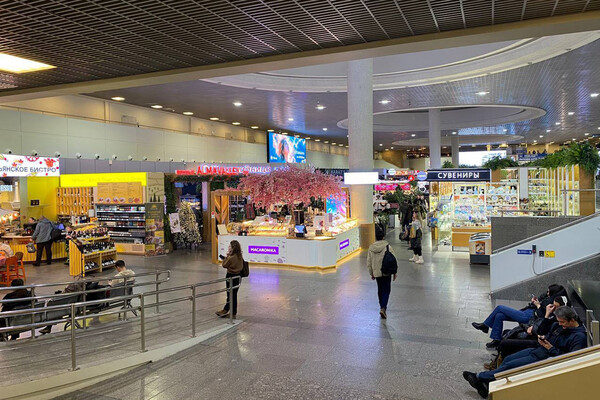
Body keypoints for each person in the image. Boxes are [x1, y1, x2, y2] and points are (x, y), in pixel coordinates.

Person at [463, 306, 587, 399]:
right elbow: (544, 331)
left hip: (545, 358)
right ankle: (487, 384)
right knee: (508, 359)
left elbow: (570, 359)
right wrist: (544, 337)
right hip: (539, 350)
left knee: (510, 366)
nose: (560, 324)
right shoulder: (560, 326)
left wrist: (551, 348)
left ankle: (479, 376)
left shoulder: (579, 337)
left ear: (572, 320)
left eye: (562, 322)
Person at [484, 296, 567, 370]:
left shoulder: (556, 321)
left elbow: (542, 331)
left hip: (536, 341)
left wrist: (545, 316)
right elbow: (538, 325)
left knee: (505, 342)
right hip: (533, 333)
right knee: (502, 323)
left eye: (556, 307)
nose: (553, 309)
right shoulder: (551, 315)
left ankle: (485, 327)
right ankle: (498, 360)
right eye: (552, 306)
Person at [472, 284, 567, 349]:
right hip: (528, 311)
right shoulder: (547, 297)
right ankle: (496, 339)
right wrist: (536, 301)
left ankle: (485, 325)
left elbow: (542, 316)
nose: (547, 293)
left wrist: (538, 305)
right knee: (499, 315)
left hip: (530, 317)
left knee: (500, 308)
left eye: (549, 292)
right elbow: (540, 300)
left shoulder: (553, 305)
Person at [367, 228, 397, 319]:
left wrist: (371, 273)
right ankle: (383, 307)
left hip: (377, 272)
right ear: (383, 237)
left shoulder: (371, 248)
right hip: (386, 272)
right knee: (386, 290)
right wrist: (395, 272)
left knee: (380, 289)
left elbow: (369, 262)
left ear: (376, 237)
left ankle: (381, 306)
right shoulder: (387, 247)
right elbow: (394, 260)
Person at [215, 240, 243, 319]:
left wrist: (226, 257)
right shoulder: (239, 256)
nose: (229, 247)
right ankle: (229, 311)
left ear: (233, 248)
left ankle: (228, 311)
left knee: (230, 294)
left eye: (230, 246)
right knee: (233, 294)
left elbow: (224, 265)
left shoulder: (232, 258)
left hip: (231, 276)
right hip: (238, 276)